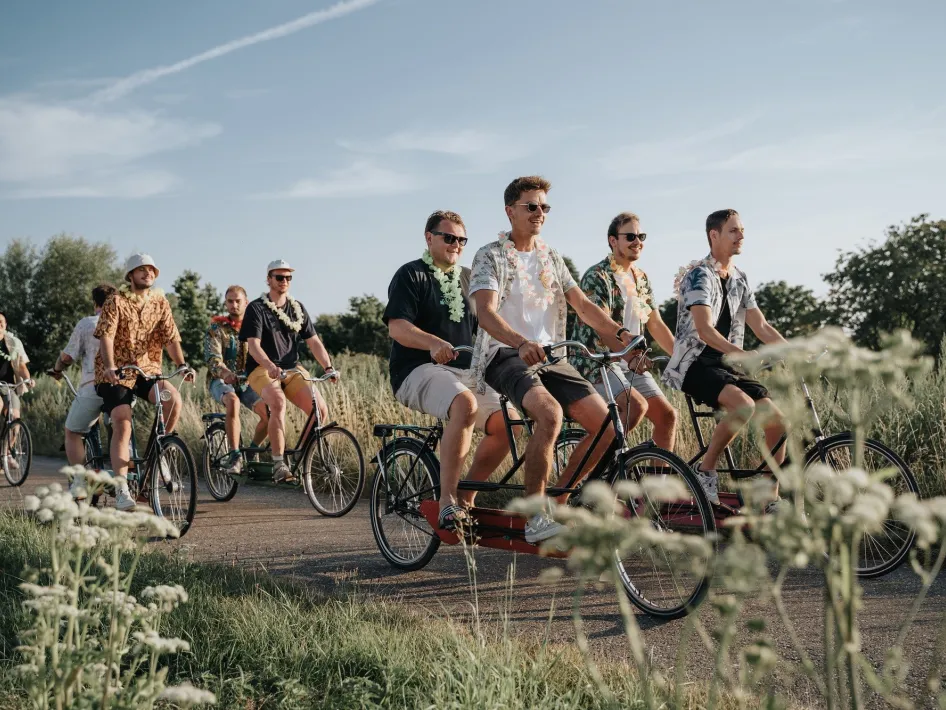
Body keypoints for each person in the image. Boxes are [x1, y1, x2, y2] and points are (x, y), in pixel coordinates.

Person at [469, 176, 639, 543]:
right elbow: (485, 313)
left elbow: (583, 306)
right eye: (531, 206)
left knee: (608, 426)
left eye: (544, 207)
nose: (539, 213)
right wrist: (519, 341)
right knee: (550, 413)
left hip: (551, 355)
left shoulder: (551, 256)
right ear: (510, 211)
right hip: (505, 354)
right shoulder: (490, 255)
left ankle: (557, 503)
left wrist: (621, 335)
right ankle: (534, 519)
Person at [383, 210, 510, 531]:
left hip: (466, 373)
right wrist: (431, 343)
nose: (456, 244)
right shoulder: (411, 275)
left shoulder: (470, 279)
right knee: (463, 404)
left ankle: (466, 496)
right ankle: (447, 503)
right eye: (449, 237)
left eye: (462, 240)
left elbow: (489, 325)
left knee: (511, 424)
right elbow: (397, 328)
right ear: (429, 238)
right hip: (416, 370)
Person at [662, 209, 787, 507]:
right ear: (713, 235)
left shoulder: (740, 278)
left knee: (778, 422)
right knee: (742, 407)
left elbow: (761, 325)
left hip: (727, 364)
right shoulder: (698, 276)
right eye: (733, 230)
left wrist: (792, 350)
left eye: (742, 230)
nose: (741, 235)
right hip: (695, 363)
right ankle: (705, 471)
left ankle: (770, 497)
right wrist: (742, 353)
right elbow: (704, 330)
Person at [570, 211, 678, 450]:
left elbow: (655, 323)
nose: (637, 241)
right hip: (599, 361)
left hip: (631, 363)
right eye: (630, 236)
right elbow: (600, 327)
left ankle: (657, 487)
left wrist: (681, 356)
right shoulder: (596, 276)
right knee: (634, 406)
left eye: (641, 236)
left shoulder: (641, 278)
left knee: (667, 416)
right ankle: (598, 471)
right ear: (613, 240)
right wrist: (629, 354)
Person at [95, 254, 193, 511]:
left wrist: (182, 365)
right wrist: (109, 367)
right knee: (123, 422)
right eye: (141, 269)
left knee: (173, 401)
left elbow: (171, 338)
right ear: (130, 275)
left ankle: (155, 460)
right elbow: (106, 336)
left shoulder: (160, 301)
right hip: (117, 372)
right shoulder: (115, 301)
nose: (147, 273)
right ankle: (122, 490)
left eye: (151, 269)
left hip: (147, 370)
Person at [239, 260, 337, 484]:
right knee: (277, 402)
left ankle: (302, 454)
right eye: (279, 277)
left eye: (288, 278)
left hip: (292, 368)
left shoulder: (297, 308)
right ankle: (278, 463)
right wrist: (271, 366)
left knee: (320, 410)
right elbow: (253, 346)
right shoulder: (256, 308)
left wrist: (328, 367)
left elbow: (314, 342)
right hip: (262, 368)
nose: (284, 281)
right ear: (268, 279)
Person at [48, 284, 117, 499]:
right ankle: (122, 473)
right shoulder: (123, 321)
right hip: (122, 387)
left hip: (93, 387)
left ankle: (78, 482)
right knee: (120, 428)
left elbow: (68, 357)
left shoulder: (87, 324)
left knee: (72, 431)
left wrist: (57, 369)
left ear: (94, 302)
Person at [204, 285, 270, 475]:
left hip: (247, 382)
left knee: (269, 412)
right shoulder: (216, 329)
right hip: (220, 381)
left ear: (246, 303)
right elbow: (213, 358)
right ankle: (235, 456)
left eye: (238, 301)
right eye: (230, 301)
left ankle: (252, 450)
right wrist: (225, 373)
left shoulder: (255, 328)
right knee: (232, 401)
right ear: (225, 303)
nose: (234, 305)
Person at [0, 312, 33, 473]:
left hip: (9, 385)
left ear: (5, 324)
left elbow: (21, 366)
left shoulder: (13, 342)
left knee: (15, 416)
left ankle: (6, 452)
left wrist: (28, 379)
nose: (0, 325)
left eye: (2, 322)